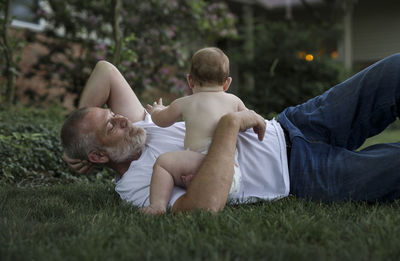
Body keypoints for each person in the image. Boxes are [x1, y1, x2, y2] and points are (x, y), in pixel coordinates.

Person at [62, 52, 400, 214]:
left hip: (294, 124)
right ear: (98, 156)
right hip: (300, 175)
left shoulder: (141, 125)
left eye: (114, 113)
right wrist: (230, 125)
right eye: (111, 124)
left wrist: (69, 144)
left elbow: (105, 70)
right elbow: (203, 206)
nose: (122, 117)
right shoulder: (137, 187)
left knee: (394, 69)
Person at [142, 47, 247, 214]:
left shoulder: (185, 102)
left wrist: (156, 111)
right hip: (230, 177)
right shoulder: (234, 101)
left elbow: (161, 121)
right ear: (227, 83)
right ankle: (193, 183)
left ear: (190, 81)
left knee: (163, 163)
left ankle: (157, 205)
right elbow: (246, 121)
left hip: (201, 161)